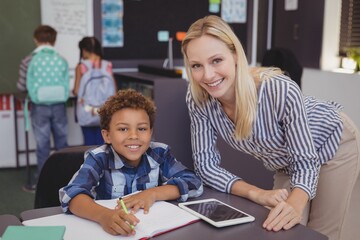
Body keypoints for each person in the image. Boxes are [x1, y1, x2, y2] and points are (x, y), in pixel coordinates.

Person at [181, 15, 360, 240]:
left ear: (235, 55)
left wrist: (296, 203)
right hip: (286, 161)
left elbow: (305, 161)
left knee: (319, 232)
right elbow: (206, 167)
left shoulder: (278, 89)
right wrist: (257, 194)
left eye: (216, 60)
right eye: (197, 65)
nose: (207, 75)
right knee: (279, 230)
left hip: (334, 140)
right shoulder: (198, 98)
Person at [59, 89, 203, 236]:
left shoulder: (159, 153)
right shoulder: (99, 159)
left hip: (148, 228)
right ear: (107, 135)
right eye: (123, 129)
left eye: (141, 128)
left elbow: (193, 182)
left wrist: (153, 193)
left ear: (150, 132)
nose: (134, 136)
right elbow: (71, 195)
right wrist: (103, 216)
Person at [17, 25, 69, 192]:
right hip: (59, 105)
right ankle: (66, 179)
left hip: (39, 106)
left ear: (35, 40)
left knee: (42, 144)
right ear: (54, 40)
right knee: (62, 143)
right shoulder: (61, 59)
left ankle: (41, 182)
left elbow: (21, 85)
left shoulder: (28, 60)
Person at [72, 36, 117, 146]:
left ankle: (90, 163)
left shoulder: (81, 66)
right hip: (104, 111)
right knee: (103, 142)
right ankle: (102, 163)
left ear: (84, 50)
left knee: (89, 144)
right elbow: (114, 89)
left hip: (86, 111)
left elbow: (77, 91)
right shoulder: (107, 65)